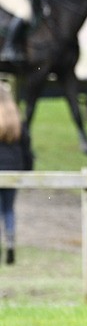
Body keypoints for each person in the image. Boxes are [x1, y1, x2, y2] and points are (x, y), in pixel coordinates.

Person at [0, 81, 32, 264]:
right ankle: (10, 243)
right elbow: (26, 149)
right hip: (13, 169)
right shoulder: (17, 121)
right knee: (9, 209)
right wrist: (27, 170)